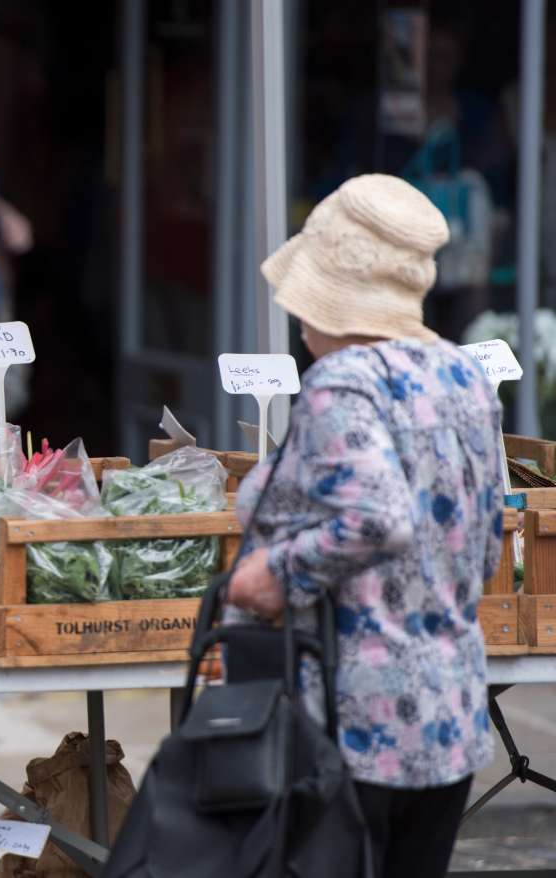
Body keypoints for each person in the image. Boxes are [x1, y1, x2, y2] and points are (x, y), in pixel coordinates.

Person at [227, 174, 503, 878]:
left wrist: (273, 574)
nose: (296, 316)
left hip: (352, 727)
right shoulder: (462, 376)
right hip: (449, 715)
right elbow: (487, 548)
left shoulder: (342, 383)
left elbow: (377, 518)